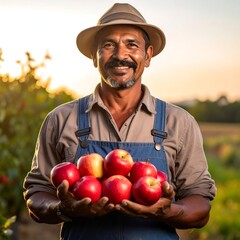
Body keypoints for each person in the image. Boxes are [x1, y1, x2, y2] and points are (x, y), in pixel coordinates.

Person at [23, 3, 216, 240]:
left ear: (148, 55)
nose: (120, 54)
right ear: (95, 57)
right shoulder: (61, 119)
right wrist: (63, 209)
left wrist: (168, 210)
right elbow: (36, 195)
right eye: (108, 45)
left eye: (132, 44)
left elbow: (201, 207)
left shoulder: (180, 123)